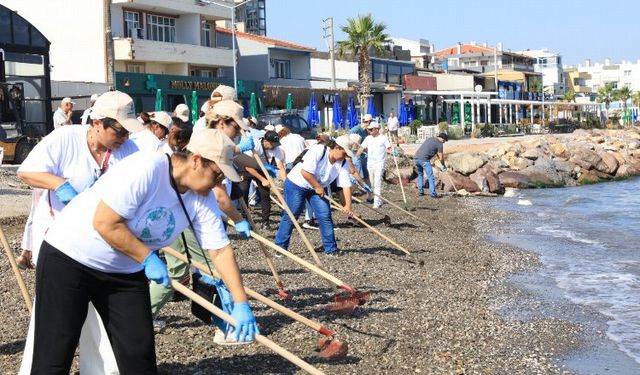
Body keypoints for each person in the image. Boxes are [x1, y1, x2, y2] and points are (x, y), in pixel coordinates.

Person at [31, 129, 259, 373]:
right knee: (56, 350)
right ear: (196, 160)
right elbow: (106, 223)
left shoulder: (201, 198)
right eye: (216, 174)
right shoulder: (147, 168)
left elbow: (220, 252)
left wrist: (240, 302)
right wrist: (147, 258)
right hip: (70, 257)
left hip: (123, 271)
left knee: (138, 354)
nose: (217, 184)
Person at [17, 91, 145, 374]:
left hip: (104, 243)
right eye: (119, 130)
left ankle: (99, 371)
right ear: (97, 123)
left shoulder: (128, 150)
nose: (124, 137)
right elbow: (27, 172)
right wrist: (59, 184)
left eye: (128, 131)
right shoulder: (66, 138)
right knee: (56, 319)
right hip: (59, 242)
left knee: (100, 318)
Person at [274, 135, 356, 256]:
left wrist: (348, 206)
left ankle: (331, 249)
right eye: (345, 153)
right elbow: (305, 172)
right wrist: (317, 186)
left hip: (318, 187)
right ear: (337, 147)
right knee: (292, 215)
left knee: (325, 216)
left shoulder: (342, 162)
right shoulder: (319, 150)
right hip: (297, 184)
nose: (346, 157)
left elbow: (345, 185)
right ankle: (280, 248)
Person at [236, 130, 285, 230]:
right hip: (246, 166)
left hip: (262, 167)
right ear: (265, 141)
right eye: (272, 144)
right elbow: (248, 166)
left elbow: (280, 166)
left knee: (265, 194)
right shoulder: (255, 145)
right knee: (244, 190)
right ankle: (245, 218)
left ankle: (265, 222)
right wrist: (262, 179)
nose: (274, 146)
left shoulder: (276, 149)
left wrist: (286, 182)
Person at [356, 121, 392, 208]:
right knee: (372, 184)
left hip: (379, 163)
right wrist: (356, 157)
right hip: (370, 163)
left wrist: (392, 151)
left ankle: (376, 202)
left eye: (371, 129)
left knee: (377, 182)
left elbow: (389, 148)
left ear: (377, 129)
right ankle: (377, 199)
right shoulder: (368, 138)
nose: (369, 131)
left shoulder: (383, 138)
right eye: (369, 129)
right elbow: (361, 148)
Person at [415, 133, 448, 198]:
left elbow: (429, 150)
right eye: (444, 141)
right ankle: (433, 193)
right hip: (424, 160)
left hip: (416, 158)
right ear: (442, 139)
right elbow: (441, 157)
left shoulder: (430, 139)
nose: (444, 142)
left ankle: (420, 191)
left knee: (420, 174)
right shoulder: (439, 144)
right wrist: (443, 165)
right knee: (430, 176)